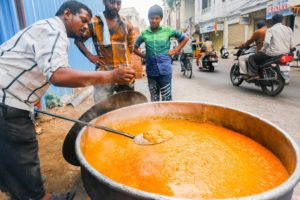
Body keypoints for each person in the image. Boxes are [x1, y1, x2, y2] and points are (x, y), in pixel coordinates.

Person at [0, 1, 135, 200]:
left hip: (8, 97)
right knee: (23, 151)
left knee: (8, 153)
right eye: (83, 20)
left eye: (88, 23)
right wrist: (110, 76)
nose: (85, 26)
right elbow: (58, 75)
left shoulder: (45, 27)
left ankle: (16, 186)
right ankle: (37, 196)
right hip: (7, 102)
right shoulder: (54, 31)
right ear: (67, 13)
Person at [75, 0, 135, 103]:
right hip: (104, 74)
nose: (115, 6)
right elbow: (78, 40)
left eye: (118, 3)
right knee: (102, 108)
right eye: (111, 2)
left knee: (127, 107)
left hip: (125, 74)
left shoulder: (127, 24)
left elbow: (130, 48)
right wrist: (90, 56)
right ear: (104, 2)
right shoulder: (93, 23)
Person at [133, 5, 189, 101]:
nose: (154, 20)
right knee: (154, 98)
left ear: (161, 19)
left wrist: (175, 50)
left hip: (165, 70)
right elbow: (134, 48)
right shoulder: (144, 33)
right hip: (151, 71)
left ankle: (167, 115)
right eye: (152, 18)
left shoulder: (168, 30)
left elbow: (185, 38)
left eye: (157, 18)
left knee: (167, 97)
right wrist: (145, 56)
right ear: (148, 18)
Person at [248, 14, 293, 79]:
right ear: (281, 20)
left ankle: (254, 74)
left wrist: (263, 50)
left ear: (273, 21)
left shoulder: (271, 29)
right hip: (285, 53)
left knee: (251, 58)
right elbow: (292, 43)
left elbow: (266, 42)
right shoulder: (289, 29)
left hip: (272, 53)